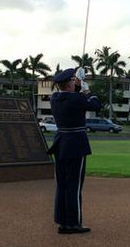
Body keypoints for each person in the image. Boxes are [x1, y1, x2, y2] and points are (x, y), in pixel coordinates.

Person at [48, 68, 101, 234]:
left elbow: (72, 98)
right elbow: (95, 105)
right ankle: (73, 223)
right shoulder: (78, 98)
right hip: (76, 145)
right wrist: (86, 89)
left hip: (61, 143)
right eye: (72, 80)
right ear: (69, 84)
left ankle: (63, 222)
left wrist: (77, 85)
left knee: (62, 184)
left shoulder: (55, 98)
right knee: (74, 186)